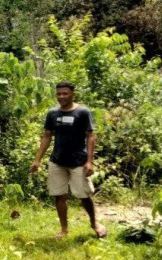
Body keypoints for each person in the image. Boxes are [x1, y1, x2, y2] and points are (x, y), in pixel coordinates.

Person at [30, 81, 107, 239]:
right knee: (59, 196)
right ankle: (64, 229)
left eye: (65, 93)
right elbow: (47, 136)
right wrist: (37, 160)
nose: (62, 96)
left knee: (84, 195)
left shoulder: (82, 112)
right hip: (57, 161)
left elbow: (90, 136)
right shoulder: (52, 113)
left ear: (73, 94)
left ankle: (94, 224)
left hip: (78, 162)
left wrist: (89, 161)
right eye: (59, 94)